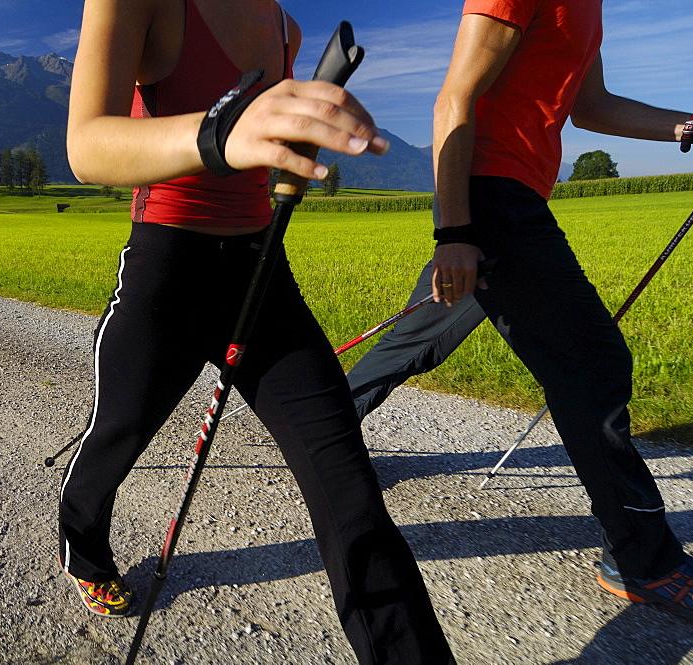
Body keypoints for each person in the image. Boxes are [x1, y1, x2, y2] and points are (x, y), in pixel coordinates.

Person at [58, 0, 457, 662]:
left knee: (349, 490)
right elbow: (87, 145)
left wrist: (285, 142)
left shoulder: (283, 25)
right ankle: (83, 543)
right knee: (116, 435)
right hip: (168, 268)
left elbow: (257, 145)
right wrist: (220, 132)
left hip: (261, 269)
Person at [346, 0, 693, 622]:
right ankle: (645, 561)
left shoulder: (588, 9)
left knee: (416, 340)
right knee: (592, 368)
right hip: (490, 197)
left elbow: (590, 105)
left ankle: (324, 434)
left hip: (504, 198)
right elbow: (452, 100)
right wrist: (454, 232)